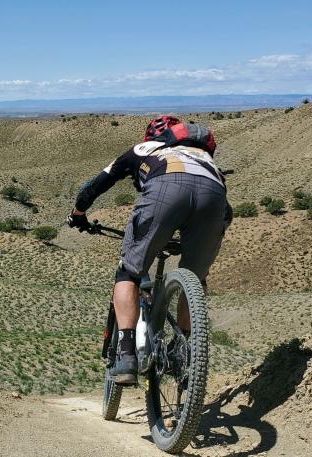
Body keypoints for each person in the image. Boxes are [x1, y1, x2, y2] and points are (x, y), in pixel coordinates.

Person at [67, 116, 231, 385]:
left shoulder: (142, 150)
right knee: (196, 278)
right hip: (214, 196)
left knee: (129, 273)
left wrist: (78, 214)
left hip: (165, 190)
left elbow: (94, 186)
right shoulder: (204, 158)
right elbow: (226, 212)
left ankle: (126, 354)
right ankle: (184, 353)